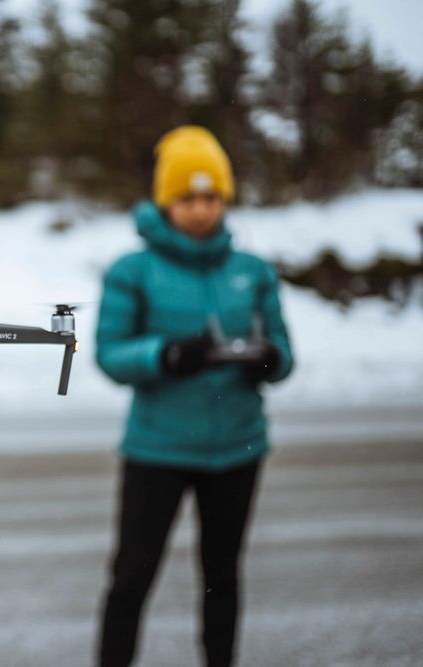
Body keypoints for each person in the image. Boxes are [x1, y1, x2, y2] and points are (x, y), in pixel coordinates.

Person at [93, 126, 294, 667]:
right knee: (132, 575)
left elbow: (285, 356)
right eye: (187, 198)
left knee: (222, 576)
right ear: (165, 201)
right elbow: (109, 353)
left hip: (238, 448)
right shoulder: (132, 271)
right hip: (157, 448)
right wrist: (165, 355)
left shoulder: (252, 272)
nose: (200, 209)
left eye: (211, 197)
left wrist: (268, 359)